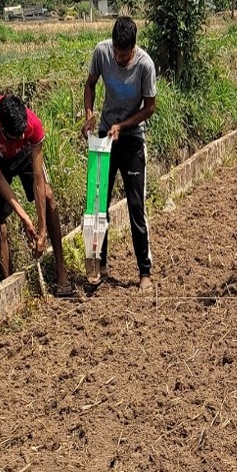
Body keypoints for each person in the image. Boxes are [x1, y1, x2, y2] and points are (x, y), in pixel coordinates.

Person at [81, 16, 158, 291]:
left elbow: (149, 107)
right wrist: (90, 116)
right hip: (105, 138)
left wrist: (123, 126)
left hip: (132, 139)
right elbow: (90, 84)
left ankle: (144, 271)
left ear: (133, 48)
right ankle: (98, 264)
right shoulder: (102, 52)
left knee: (136, 206)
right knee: (98, 203)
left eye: (123, 55)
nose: (118, 57)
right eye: (115, 52)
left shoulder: (145, 65)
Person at [0, 94, 70, 295]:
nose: (20, 138)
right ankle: (8, 285)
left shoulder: (32, 126)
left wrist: (42, 229)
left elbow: (38, 180)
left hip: (24, 154)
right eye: (15, 136)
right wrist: (26, 219)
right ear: (1, 128)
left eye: (22, 133)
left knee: (48, 196)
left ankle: (61, 270)